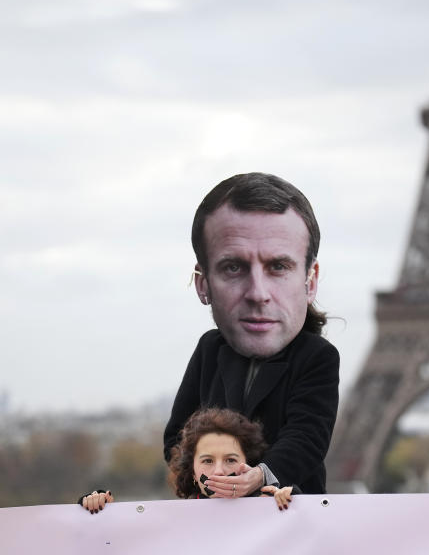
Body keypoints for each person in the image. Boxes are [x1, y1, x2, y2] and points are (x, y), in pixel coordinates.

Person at [163, 172, 340, 496]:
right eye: (233, 267)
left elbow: (307, 438)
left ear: (310, 281)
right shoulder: (208, 350)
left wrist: (259, 477)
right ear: (203, 284)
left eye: (278, 267)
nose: (258, 294)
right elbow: (178, 437)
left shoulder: (317, 358)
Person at [81, 408, 295, 512]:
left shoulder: (269, 505)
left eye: (230, 460)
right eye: (208, 461)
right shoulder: (174, 520)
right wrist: (96, 508)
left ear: (248, 463)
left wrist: (294, 501)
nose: (219, 471)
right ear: (192, 471)